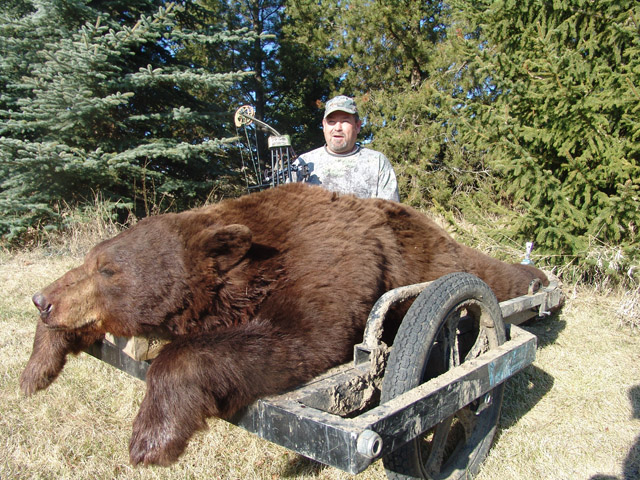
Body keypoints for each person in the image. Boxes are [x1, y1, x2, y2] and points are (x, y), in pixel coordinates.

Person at [293, 95, 400, 201]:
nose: (337, 128)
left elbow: (390, 210)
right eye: (331, 122)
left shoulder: (377, 162)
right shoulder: (303, 163)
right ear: (324, 125)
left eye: (345, 121)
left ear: (357, 126)